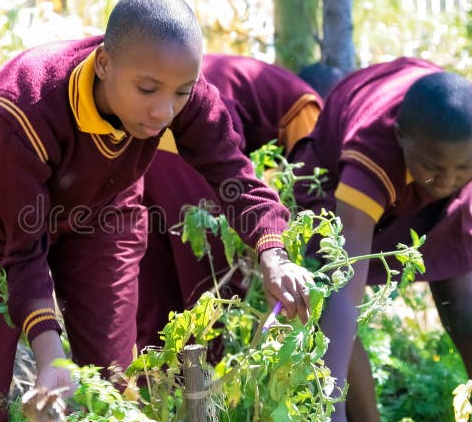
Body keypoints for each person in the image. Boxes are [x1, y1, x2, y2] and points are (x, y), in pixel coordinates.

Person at [0, 0, 313, 422]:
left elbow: (233, 175)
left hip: (102, 213)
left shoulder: (178, 91)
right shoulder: (26, 105)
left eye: (181, 92)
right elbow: (23, 251)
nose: (164, 112)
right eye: (147, 91)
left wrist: (273, 255)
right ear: (105, 64)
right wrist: (51, 356)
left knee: (111, 392)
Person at [290, 57, 472, 422]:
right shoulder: (371, 153)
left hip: (429, 162)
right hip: (336, 181)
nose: (451, 179)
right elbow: (346, 291)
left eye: (464, 167)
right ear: (402, 138)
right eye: (435, 169)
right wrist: (329, 412)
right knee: (333, 310)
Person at [136, 53, 328, 350]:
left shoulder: (253, 76)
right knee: (211, 298)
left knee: (157, 295)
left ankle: (153, 388)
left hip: (143, 143)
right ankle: (209, 388)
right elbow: (309, 189)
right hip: (193, 154)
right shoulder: (312, 107)